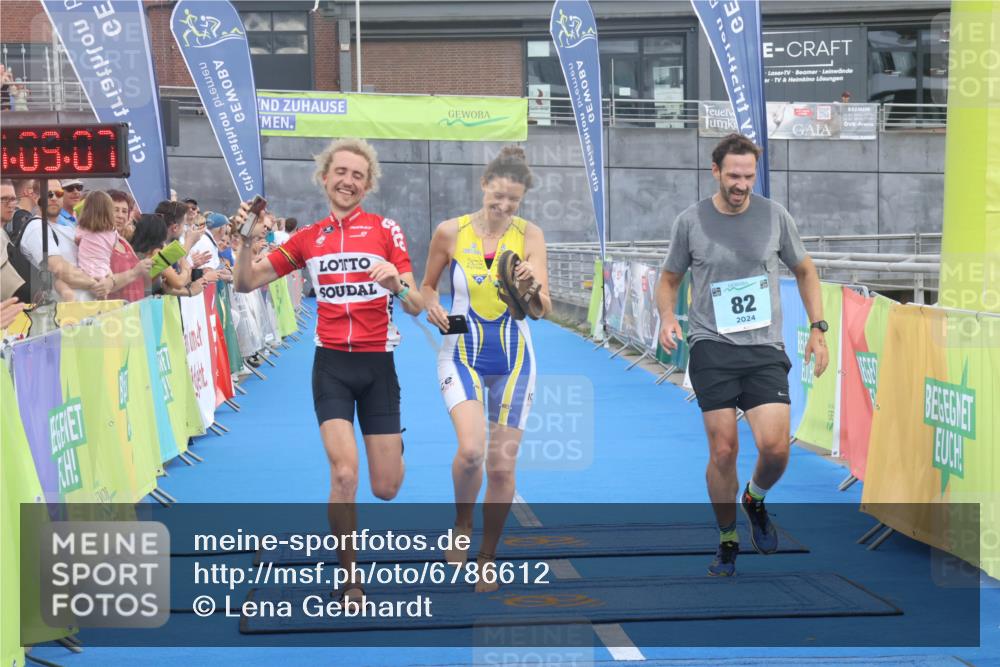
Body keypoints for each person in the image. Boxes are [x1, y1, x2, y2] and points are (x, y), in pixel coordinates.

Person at [233, 138, 425, 606]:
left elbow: (418, 305)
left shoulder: (386, 230)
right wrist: (244, 241)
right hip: (332, 366)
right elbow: (244, 282)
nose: (348, 181)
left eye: (358, 175)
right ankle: (350, 576)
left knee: (386, 488)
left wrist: (397, 284)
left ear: (368, 184)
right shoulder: (308, 239)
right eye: (341, 172)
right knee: (343, 474)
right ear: (325, 178)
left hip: (378, 366)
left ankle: (394, 444)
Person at [656, 133, 829, 577]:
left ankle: (754, 498)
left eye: (749, 176)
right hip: (712, 346)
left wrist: (818, 329)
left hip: (764, 348)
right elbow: (670, 278)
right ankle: (728, 537)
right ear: (715, 172)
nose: (741, 184)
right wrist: (666, 317)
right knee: (723, 450)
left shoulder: (774, 217)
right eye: (733, 175)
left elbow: (805, 270)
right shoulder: (690, 221)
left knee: (775, 450)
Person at [420, 145, 551, 592]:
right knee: (472, 450)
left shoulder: (530, 236)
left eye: (513, 200)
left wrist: (532, 288)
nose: (504, 205)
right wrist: (432, 306)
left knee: (500, 468)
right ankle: (461, 522)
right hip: (461, 353)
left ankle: (488, 557)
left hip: (515, 360)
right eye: (498, 195)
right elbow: (425, 289)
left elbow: (542, 310)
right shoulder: (450, 232)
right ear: (483, 185)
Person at [107, 189, 151, 302]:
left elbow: (143, 283)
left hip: (134, 312)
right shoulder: (98, 242)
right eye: (115, 210)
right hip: (113, 315)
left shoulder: (123, 242)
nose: (120, 216)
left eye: (124, 211)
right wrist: (135, 272)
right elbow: (103, 286)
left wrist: (153, 268)